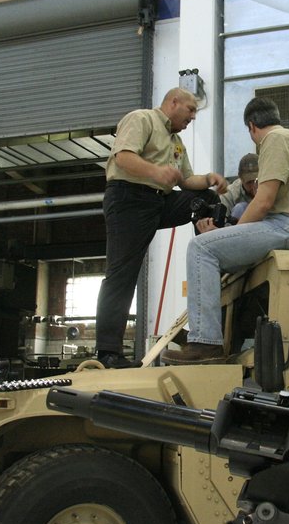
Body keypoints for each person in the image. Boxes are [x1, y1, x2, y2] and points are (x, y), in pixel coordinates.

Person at [161, 97, 289, 364]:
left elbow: (262, 202)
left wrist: (230, 235)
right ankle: (215, 333)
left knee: (201, 247)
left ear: (252, 127)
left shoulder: (274, 139)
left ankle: (205, 342)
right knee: (219, 254)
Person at [94, 87, 228, 369]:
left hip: (160, 201)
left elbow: (187, 181)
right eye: (191, 110)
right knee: (122, 275)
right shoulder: (141, 119)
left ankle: (211, 248)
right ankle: (108, 353)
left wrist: (209, 178)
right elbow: (123, 157)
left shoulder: (177, 142)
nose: (193, 116)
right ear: (173, 102)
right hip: (129, 199)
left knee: (207, 199)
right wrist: (156, 172)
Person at [219, 153, 258, 220]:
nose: (253, 186)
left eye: (256, 181)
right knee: (240, 209)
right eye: (249, 182)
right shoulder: (229, 195)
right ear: (241, 178)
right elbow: (222, 224)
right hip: (239, 228)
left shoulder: (272, 187)